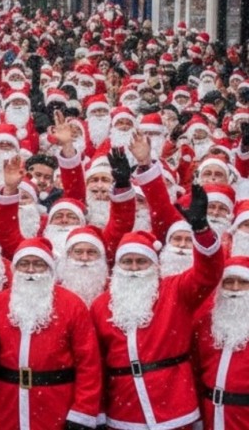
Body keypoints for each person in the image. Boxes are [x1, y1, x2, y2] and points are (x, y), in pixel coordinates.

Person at [91, 180, 224, 430]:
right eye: (127, 262)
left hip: (173, 405)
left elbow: (209, 273)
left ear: (154, 264)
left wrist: (202, 229)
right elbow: (96, 361)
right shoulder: (101, 305)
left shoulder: (174, 290)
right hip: (125, 409)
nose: (133, 269)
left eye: (140, 262)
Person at [0, 238, 103, 430]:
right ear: (15, 269)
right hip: (9, 404)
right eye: (24, 264)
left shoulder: (72, 304)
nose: (31, 270)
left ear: (49, 269)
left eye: (38, 264)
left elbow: (88, 363)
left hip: (56, 403)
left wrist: (83, 410)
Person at [192, 257, 249, 430]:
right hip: (211, 413)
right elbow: (196, 370)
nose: (235, 288)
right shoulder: (205, 323)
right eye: (228, 282)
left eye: (243, 282)